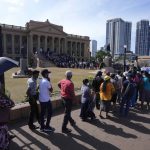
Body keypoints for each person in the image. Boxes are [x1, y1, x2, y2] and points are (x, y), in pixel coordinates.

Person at [0, 82, 15, 150]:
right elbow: (11, 104)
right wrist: (3, 94)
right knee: (3, 144)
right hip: (1, 124)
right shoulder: (1, 98)